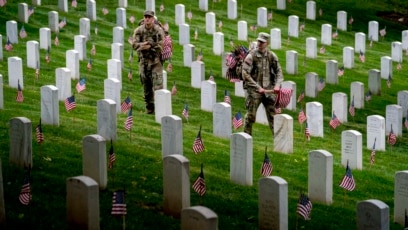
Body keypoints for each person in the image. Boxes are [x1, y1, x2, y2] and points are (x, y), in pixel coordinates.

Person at [242, 32, 284, 136]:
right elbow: (245, 74)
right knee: (251, 116)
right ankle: (246, 138)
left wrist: (277, 85)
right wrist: (257, 87)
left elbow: (279, 71)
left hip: (268, 91)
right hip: (254, 91)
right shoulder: (251, 56)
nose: (259, 44)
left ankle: (278, 143)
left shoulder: (271, 56)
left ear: (267, 43)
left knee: (274, 116)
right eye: (259, 41)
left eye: (262, 42)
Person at [133, 10, 165, 114]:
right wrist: (142, 45)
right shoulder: (139, 30)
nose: (147, 19)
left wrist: (150, 46)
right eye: (146, 17)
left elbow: (161, 45)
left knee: (158, 86)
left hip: (155, 62)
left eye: (149, 17)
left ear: (153, 18)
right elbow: (134, 44)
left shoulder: (158, 30)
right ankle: (150, 108)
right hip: (143, 62)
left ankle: (161, 108)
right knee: (146, 86)